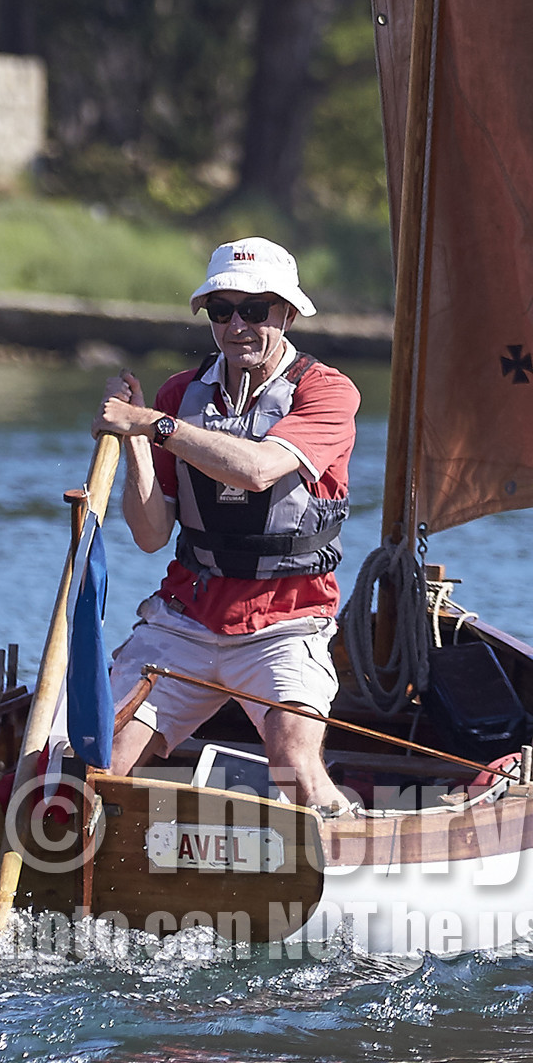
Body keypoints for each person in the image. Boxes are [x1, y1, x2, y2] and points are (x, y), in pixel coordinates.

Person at [91, 236, 359, 814]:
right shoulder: (178, 395)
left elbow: (258, 470)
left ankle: (345, 845)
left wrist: (154, 426)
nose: (237, 326)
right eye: (221, 310)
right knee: (99, 763)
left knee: (296, 770)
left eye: (255, 310)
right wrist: (134, 439)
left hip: (286, 621)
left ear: (287, 315)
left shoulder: (326, 392)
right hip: (187, 618)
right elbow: (150, 535)